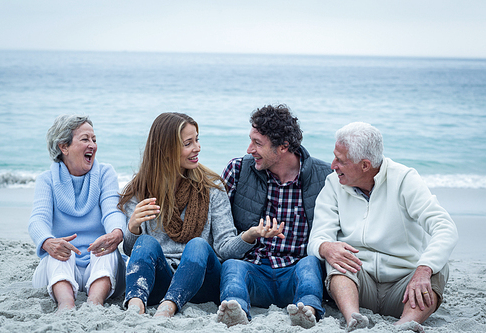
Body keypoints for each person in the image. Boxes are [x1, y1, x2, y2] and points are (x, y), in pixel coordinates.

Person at [307, 122, 459, 332]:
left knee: (438, 266)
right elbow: (317, 237)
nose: (333, 165)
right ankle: (353, 319)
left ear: (365, 165)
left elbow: (445, 227)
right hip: (358, 287)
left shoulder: (405, 179)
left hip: (405, 290)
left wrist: (424, 269)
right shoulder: (333, 184)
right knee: (336, 256)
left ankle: (404, 324)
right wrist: (325, 247)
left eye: (340, 160)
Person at [118, 112, 256, 318]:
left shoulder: (212, 187)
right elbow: (132, 251)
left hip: (201, 283)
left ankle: (168, 308)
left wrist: (248, 236)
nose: (197, 148)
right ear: (166, 150)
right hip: (161, 280)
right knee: (145, 242)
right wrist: (133, 228)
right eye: (188, 143)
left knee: (198, 245)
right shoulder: (140, 189)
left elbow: (224, 249)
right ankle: (135, 305)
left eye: (197, 140)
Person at [216, 104, 332, 329]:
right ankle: (235, 310)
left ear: (283, 147)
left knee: (310, 264)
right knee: (233, 267)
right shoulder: (238, 170)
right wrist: (250, 236)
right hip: (254, 268)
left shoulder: (324, 176)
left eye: (258, 143)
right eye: (251, 140)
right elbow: (220, 234)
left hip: (295, 270)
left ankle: (307, 310)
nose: (250, 149)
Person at [29, 114, 127, 312]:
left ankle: (94, 304)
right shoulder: (46, 180)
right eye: (85, 139)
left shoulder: (105, 173)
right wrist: (48, 242)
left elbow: (112, 210)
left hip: (101, 266)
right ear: (63, 147)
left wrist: (116, 233)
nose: (92, 144)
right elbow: (38, 220)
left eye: (94, 139)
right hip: (62, 268)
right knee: (60, 250)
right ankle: (66, 305)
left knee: (103, 246)